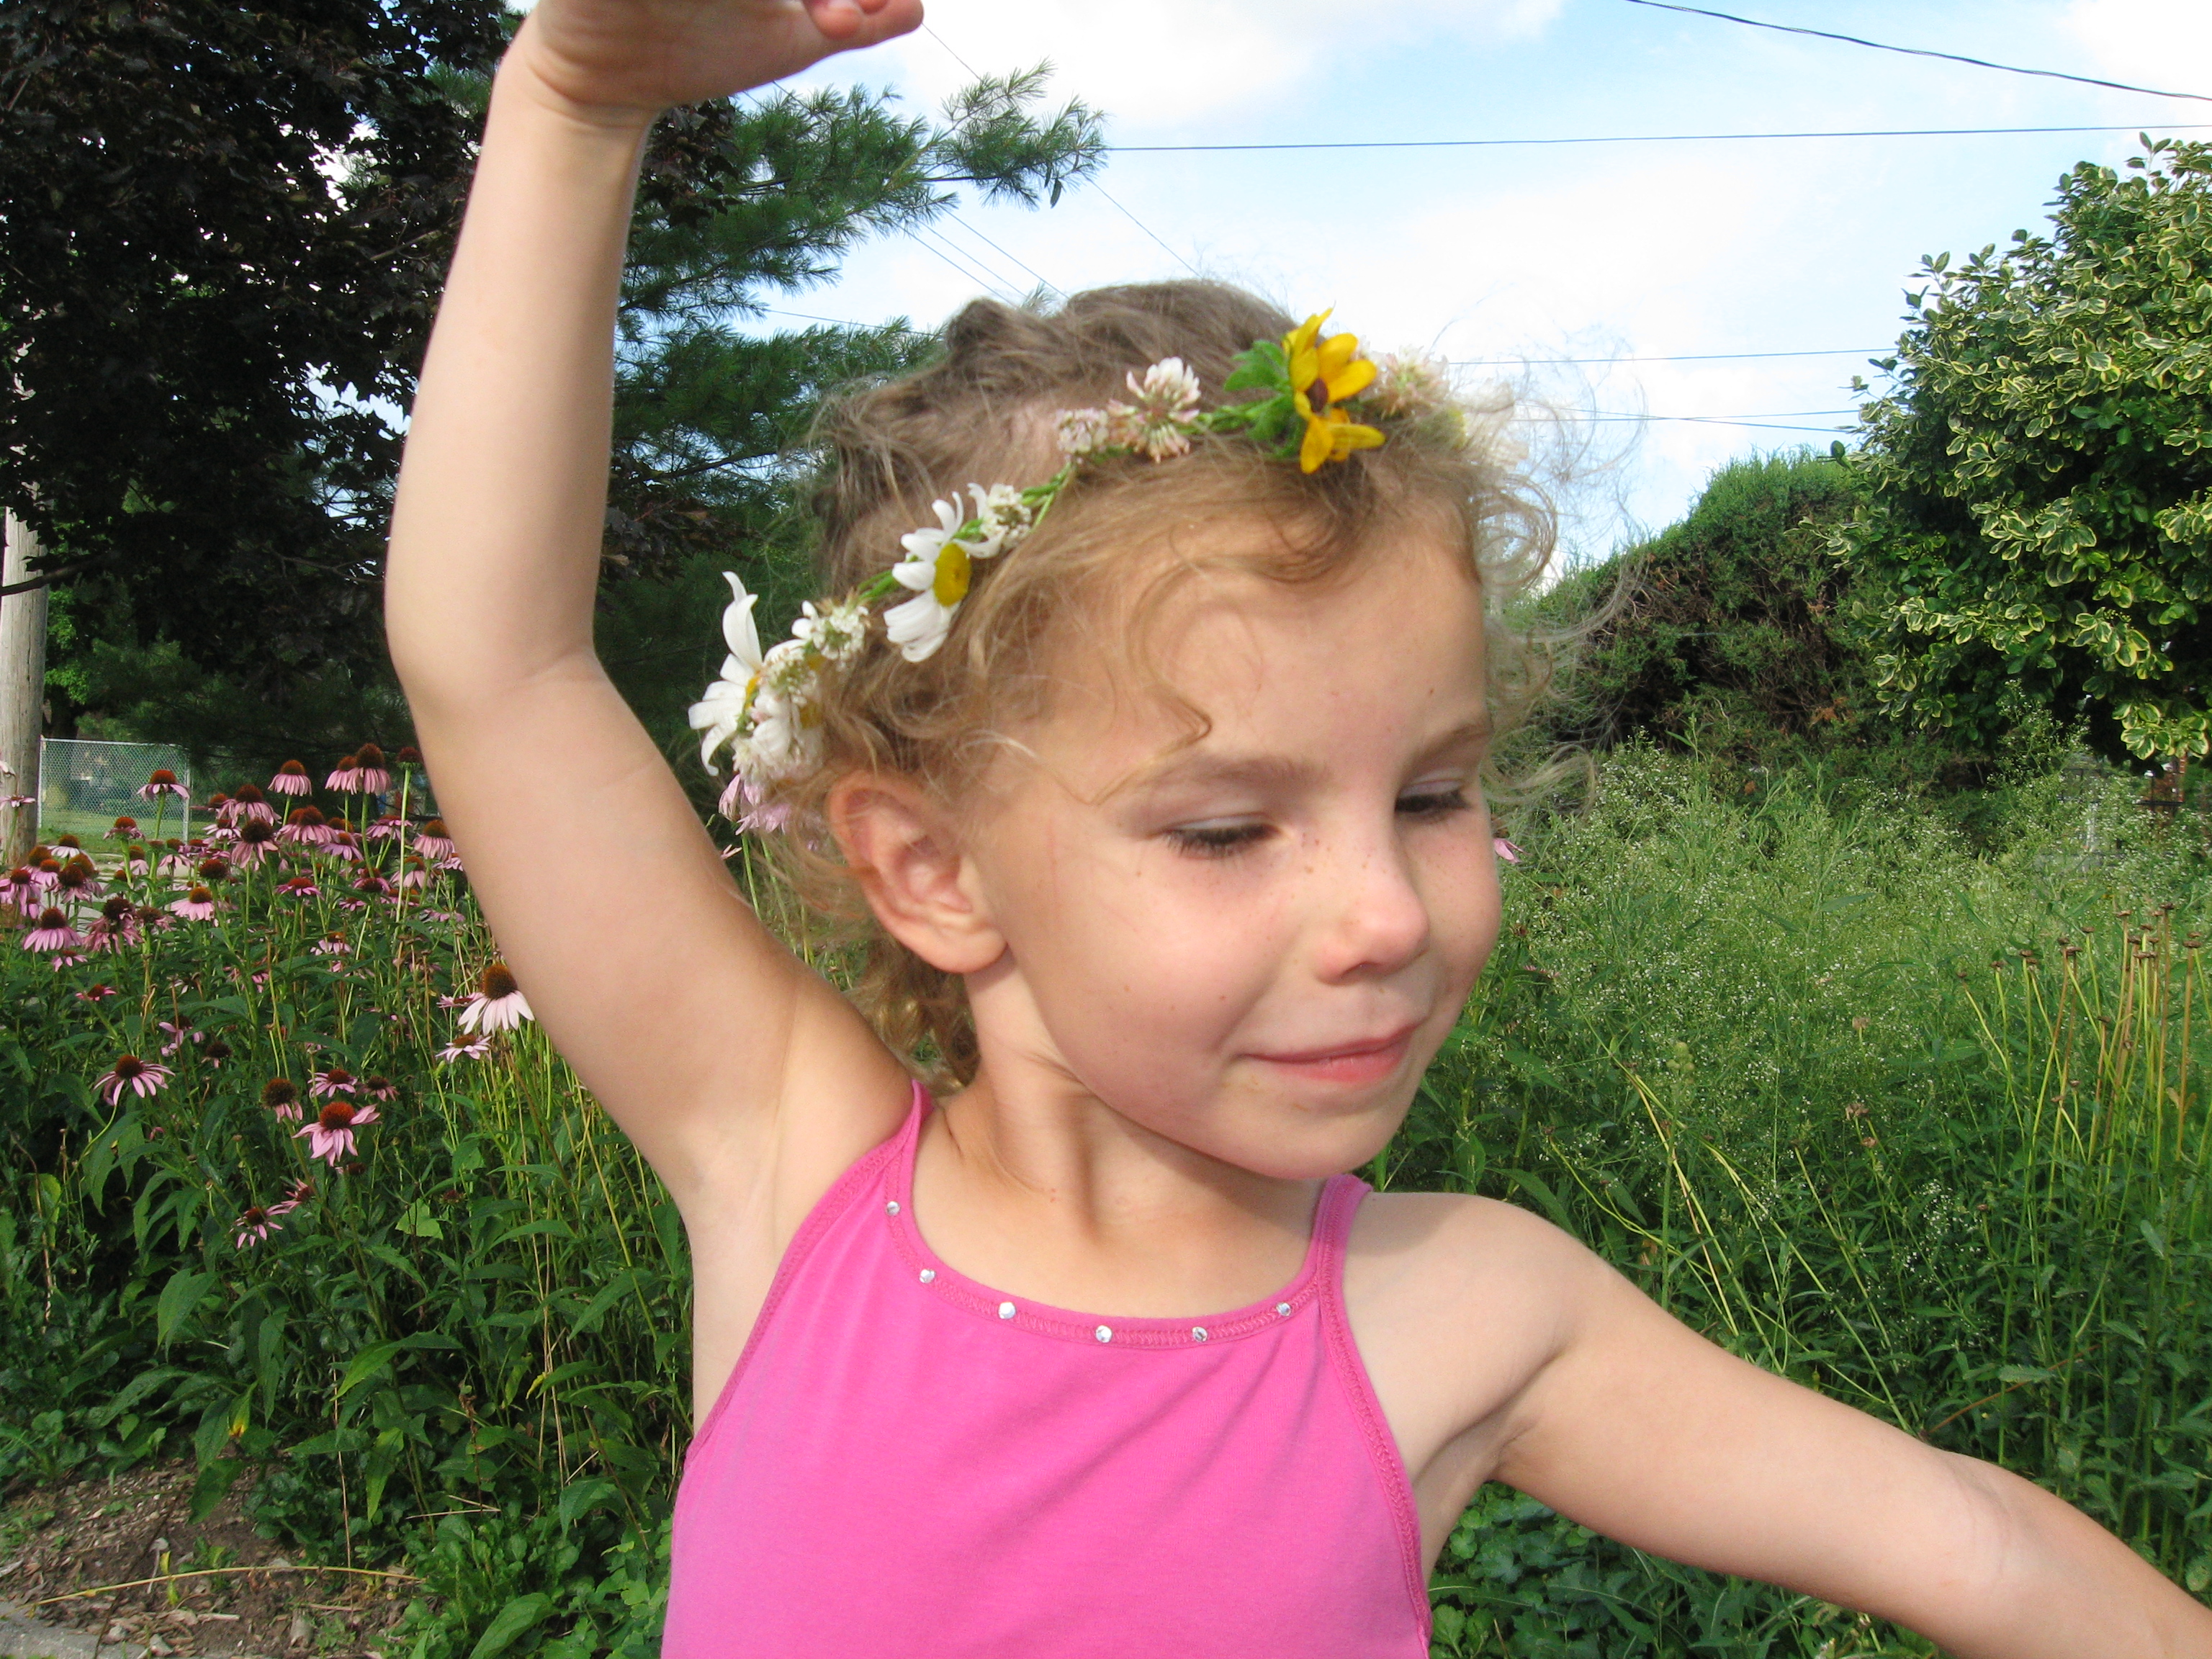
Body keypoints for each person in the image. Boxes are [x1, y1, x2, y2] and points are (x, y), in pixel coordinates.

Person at [383, 2, 2212, 1654]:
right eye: (1224, 830)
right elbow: (500, 667)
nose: (1388, 915)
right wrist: (568, 103)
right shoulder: (791, 1176)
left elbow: (1978, 1548)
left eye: (1428, 795)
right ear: (933, 870)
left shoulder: (1465, 1312)